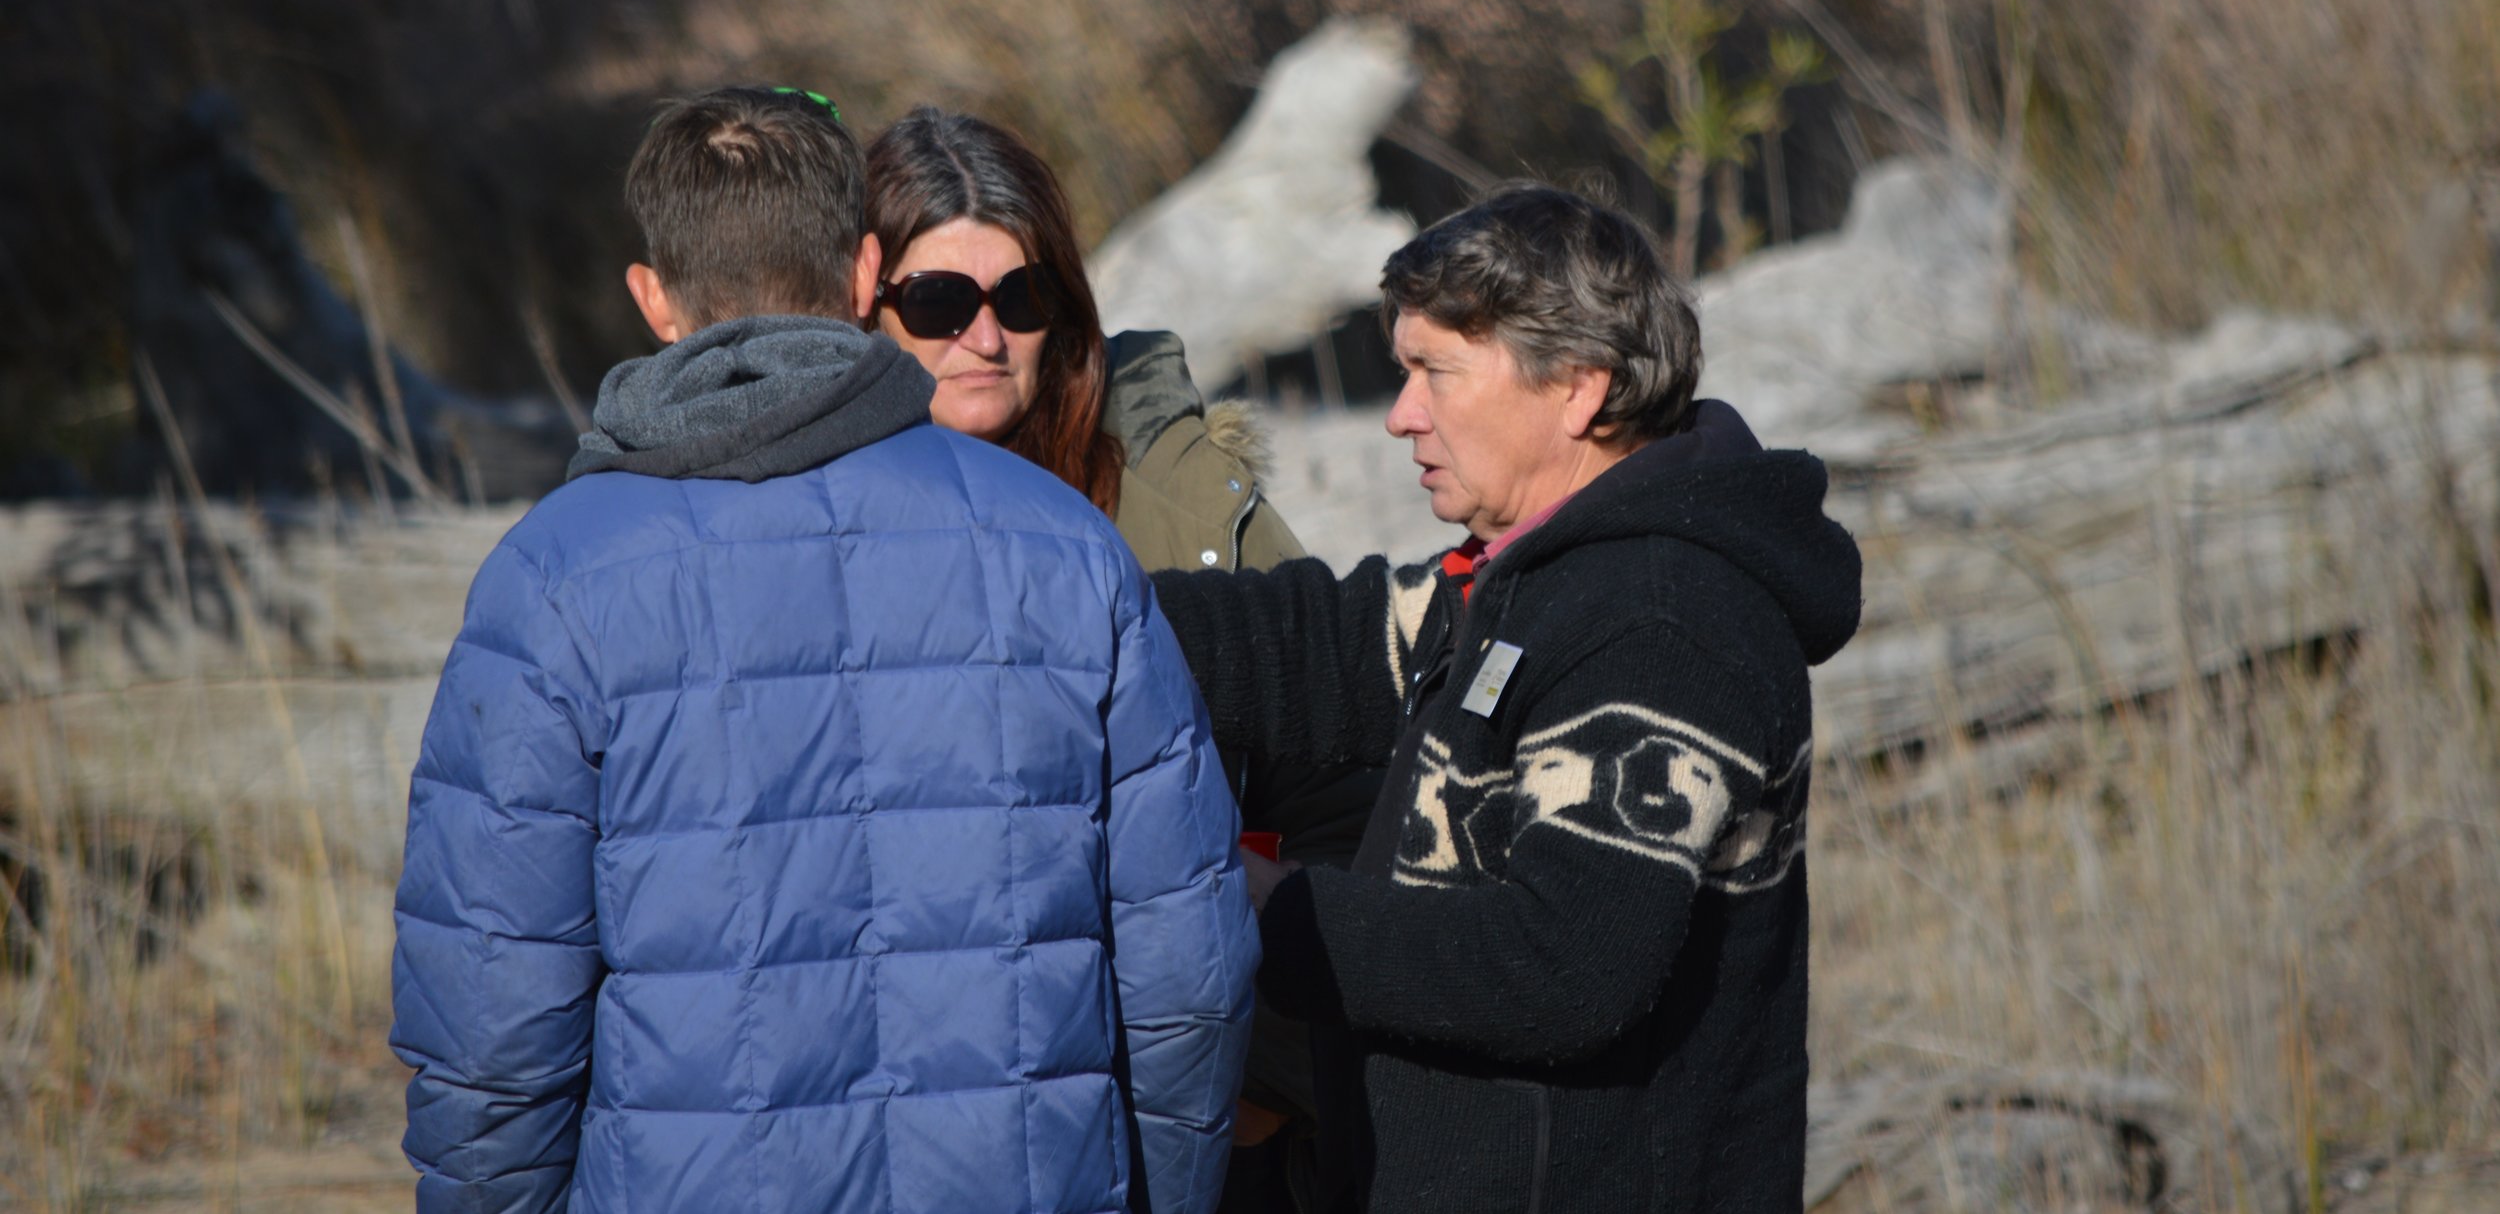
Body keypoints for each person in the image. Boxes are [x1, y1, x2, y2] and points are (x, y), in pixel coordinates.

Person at [390, 87, 1257, 1214]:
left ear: (654, 302)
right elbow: (1187, 965)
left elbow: (488, 1012)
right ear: (861, 278)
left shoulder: (555, 577)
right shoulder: (1064, 547)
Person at [1152, 184, 1863, 1214]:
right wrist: (1075, 613)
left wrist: (1263, 910)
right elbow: (1322, 649)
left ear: (1577, 390)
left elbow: (1558, 969)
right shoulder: (1532, 578)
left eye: (1433, 374)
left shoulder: (1662, 624)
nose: (1401, 415)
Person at [863, 106, 1379, 1211]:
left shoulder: (1182, 500)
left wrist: (1262, 1076)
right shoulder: (795, 527)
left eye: (1023, 299)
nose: (986, 339)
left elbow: (1355, 796)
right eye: (940, 303)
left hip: (1181, 1141)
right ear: (864, 307)